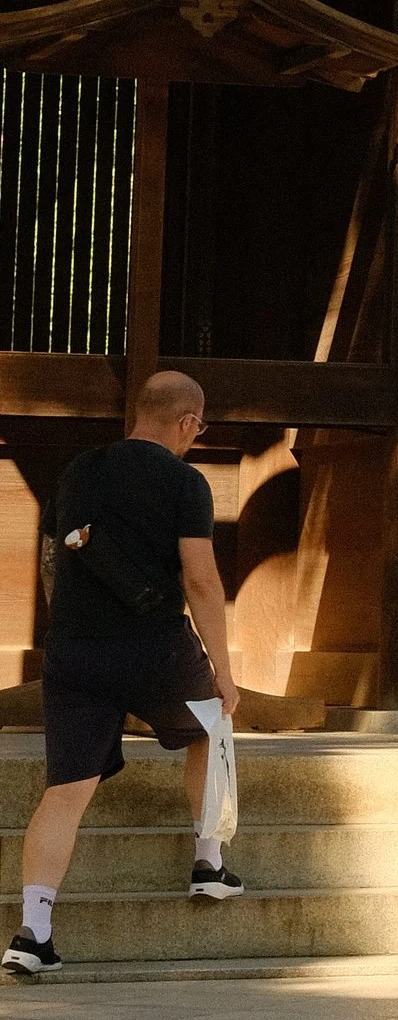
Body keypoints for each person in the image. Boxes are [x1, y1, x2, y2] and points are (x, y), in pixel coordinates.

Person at [5, 369, 242, 978]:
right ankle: (209, 862)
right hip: (155, 646)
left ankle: (34, 932)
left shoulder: (81, 470)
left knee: (65, 792)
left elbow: (56, 557)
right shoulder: (185, 482)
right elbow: (200, 580)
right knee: (212, 723)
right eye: (198, 428)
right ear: (189, 423)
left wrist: (68, 632)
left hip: (76, 651)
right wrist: (223, 668)